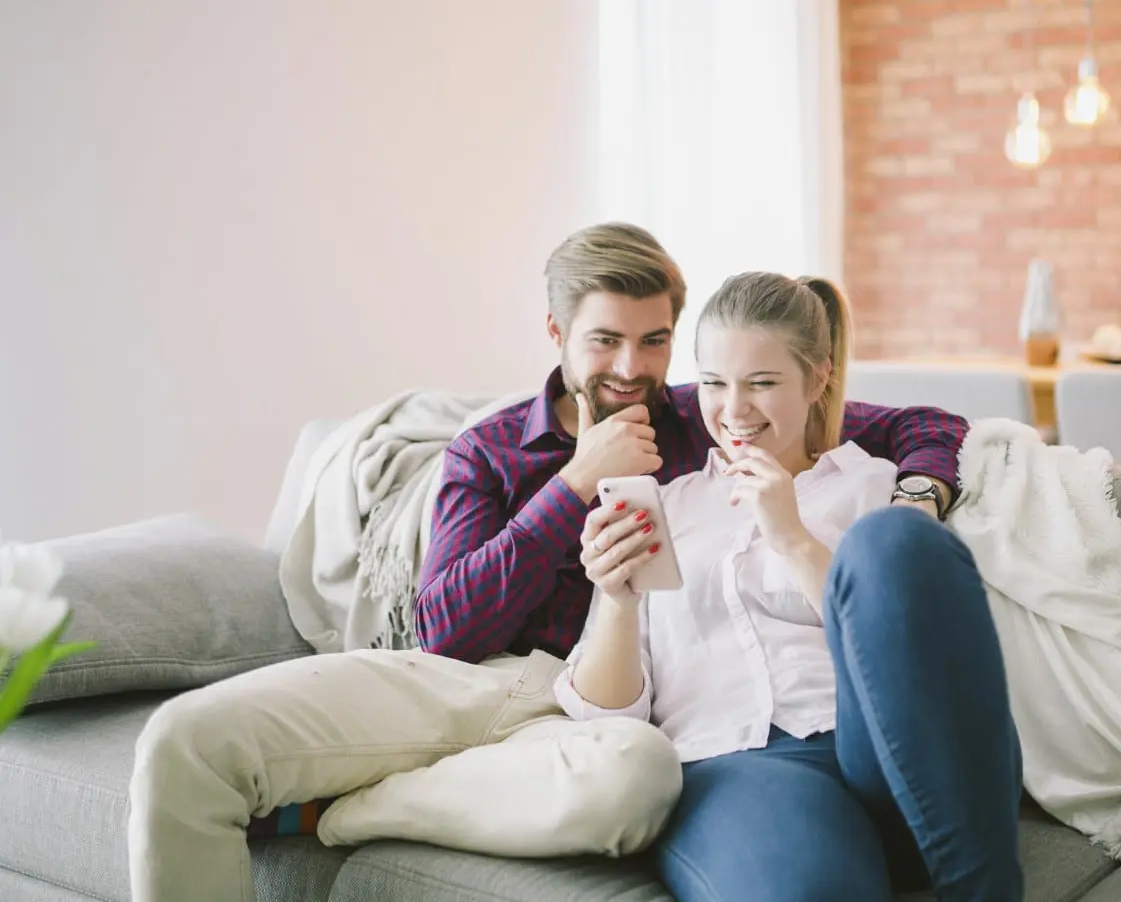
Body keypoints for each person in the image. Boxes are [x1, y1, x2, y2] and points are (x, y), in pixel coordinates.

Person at [127, 223, 971, 902]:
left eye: (655, 342)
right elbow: (444, 630)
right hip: (467, 679)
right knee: (182, 741)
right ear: (556, 332)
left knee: (637, 777)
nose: (632, 368)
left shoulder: (702, 413)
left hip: (594, 721)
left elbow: (914, 424)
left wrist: (915, 503)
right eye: (606, 341)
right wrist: (572, 484)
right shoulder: (489, 451)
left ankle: (348, 810)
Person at [557, 271, 1024, 902]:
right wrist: (617, 596)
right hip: (742, 769)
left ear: (818, 377)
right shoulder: (665, 507)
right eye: (716, 384)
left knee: (897, 541)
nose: (735, 410)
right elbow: (609, 715)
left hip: (882, 745)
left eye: (763, 383)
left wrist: (792, 536)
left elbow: (902, 639)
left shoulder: (870, 484)